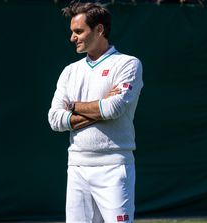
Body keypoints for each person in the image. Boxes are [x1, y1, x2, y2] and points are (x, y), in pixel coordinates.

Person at [48, 2, 143, 223]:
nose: (73, 38)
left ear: (99, 30)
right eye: (72, 31)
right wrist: (98, 108)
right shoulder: (69, 71)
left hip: (115, 165)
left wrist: (73, 107)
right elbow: (54, 119)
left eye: (79, 31)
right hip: (77, 167)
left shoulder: (128, 64)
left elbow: (114, 108)